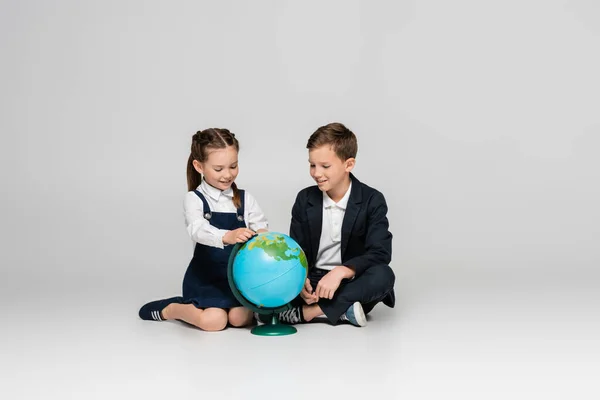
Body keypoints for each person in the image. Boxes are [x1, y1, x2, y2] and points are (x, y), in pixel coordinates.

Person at [138, 128, 268, 331]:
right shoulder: (195, 199)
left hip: (237, 277)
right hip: (206, 277)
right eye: (219, 169)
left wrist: (261, 236)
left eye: (233, 166)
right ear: (199, 166)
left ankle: (228, 306)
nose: (227, 174)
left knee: (239, 319)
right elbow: (197, 230)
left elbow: (261, 226)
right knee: (214, 321)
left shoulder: (245, 199)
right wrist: (227, 236)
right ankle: (173, 309)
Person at [276, 122, 395, 327]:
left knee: (383, 274)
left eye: (325, 166)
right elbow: (296, 250)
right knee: (274, 273)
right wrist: (301, 278)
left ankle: (311, 313)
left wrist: (341, 272)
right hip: (314, 282)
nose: (316, 173)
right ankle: (342, 311)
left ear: (348, 164)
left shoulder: (371, 199)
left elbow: (380, 252)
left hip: (349, 282)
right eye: (312, 165)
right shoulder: (305, 199)